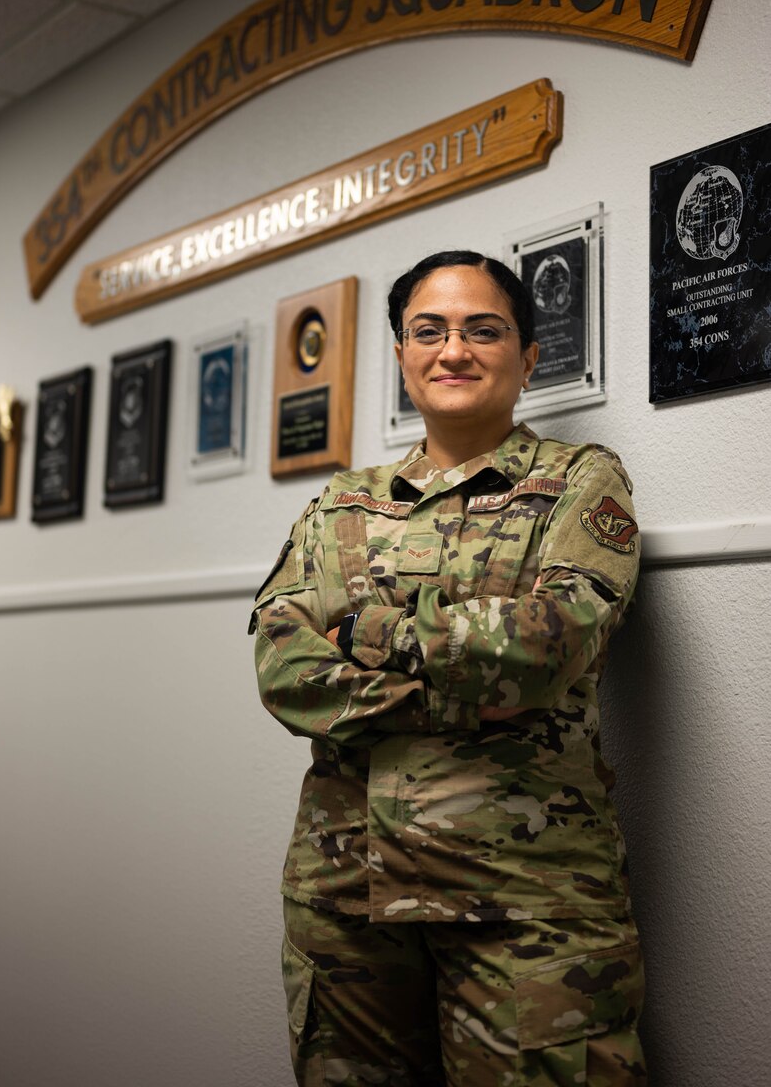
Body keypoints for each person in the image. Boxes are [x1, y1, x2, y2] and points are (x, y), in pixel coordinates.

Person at [251, 251, 646, 1086]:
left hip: (523, 902)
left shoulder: (580, 482)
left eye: (483, 330)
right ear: (401, 356)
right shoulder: (342, 502)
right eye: (428, 331)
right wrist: (467, 693)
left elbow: (545, 646)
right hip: (344, 892)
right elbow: (283, 666)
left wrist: (365, 629)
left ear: (530, 356)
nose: (453, 350)